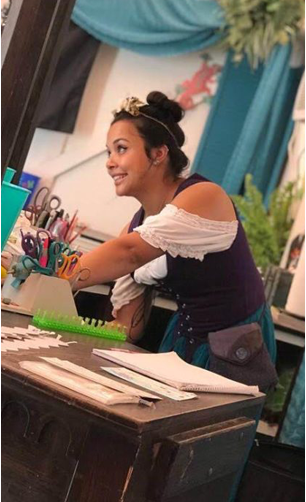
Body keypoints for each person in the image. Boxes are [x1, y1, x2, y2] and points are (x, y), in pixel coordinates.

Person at [77, 91, 276, 389]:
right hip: (181, 345)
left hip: (235, 349)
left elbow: (129, 254)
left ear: (159, 153)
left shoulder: (204, 196)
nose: (110, 163)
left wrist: (53, 276)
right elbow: (129, 328)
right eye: (109, 152)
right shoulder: (138, 225)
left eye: (121, 149)